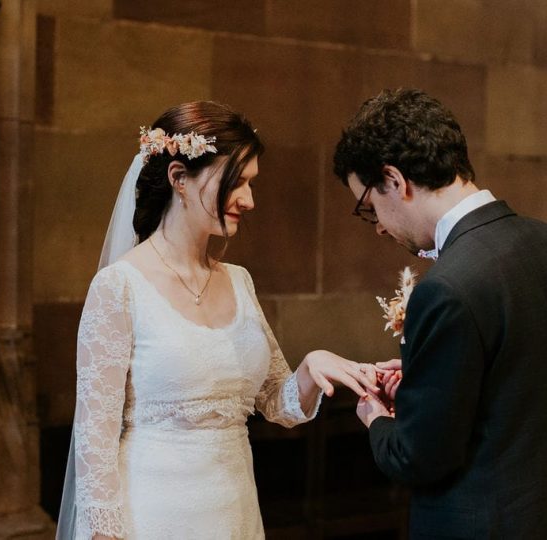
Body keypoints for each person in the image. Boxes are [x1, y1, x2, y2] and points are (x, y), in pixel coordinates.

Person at [56, 101, 380, 539]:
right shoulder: (120, 287)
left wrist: (310, 368)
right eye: (237, 182)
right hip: (151, 514)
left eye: (251, 183)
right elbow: (94, 441)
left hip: (234, 512)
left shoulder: (239, 282)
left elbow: (276, 403)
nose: (248, 200)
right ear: (179, 179)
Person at [333, 88, 547, 539]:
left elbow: (417, 456)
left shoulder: (447, 287)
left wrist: (375, 415)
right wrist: (434, 379)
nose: (379, 225)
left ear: (395, 180)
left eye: (368, 207)